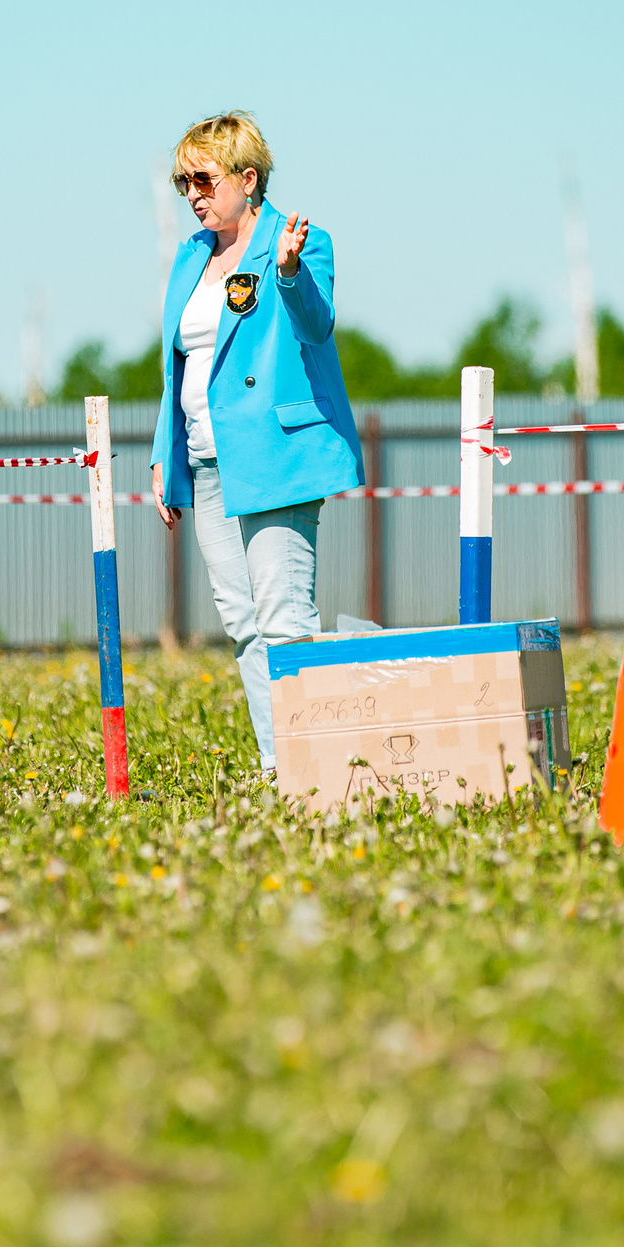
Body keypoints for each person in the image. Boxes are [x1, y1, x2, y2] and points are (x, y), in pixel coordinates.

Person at [149, 112, 363, 774]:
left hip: (277, 455)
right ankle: (281, 768)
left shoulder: (301, 242)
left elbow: (317, 324)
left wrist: (292, 272)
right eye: (184, 180)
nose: (193, 193)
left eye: (204, 179)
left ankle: (317, 774)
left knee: (285, 619)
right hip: (207, 461)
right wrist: (165, 454)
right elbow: (178, 365)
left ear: (248, 178)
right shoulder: (191, 256)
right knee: (244, 623)